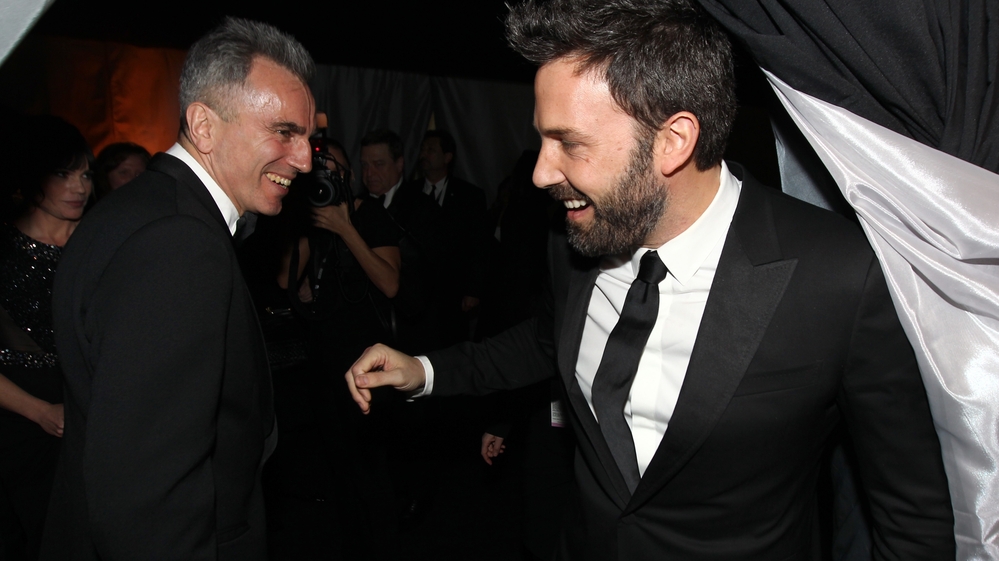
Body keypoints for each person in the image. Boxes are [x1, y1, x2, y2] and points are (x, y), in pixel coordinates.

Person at [345, 0, 955, 559]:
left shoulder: (840, 276)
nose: (539, 173)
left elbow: (912, 520)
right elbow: (544, 340)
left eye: (569, 144)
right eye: (541, 140)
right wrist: (425, 370)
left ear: (673, 140)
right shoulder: (573, 239)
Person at [43, 17, 315, 560]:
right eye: (284, 132)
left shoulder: (137, 209)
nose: (305, 159)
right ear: (205, 126)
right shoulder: (179, 244)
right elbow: (148, 500)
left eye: (309, 137)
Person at [0, 115, 92, 561]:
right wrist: (38, 412)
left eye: (86, 174)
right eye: (63, 173)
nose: (79, 186)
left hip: (93, 408)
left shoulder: (102, 243)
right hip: (20, 419)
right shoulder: (4, 250)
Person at [412, 130, 488, 345]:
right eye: (422, 149)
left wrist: (473, 290)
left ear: (447, 157)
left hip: (453, 292)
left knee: (452, 346)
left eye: (431, 150)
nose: (424, 154)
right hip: (417, 293)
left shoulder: (469, 196)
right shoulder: (409, 193)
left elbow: (478, 244)